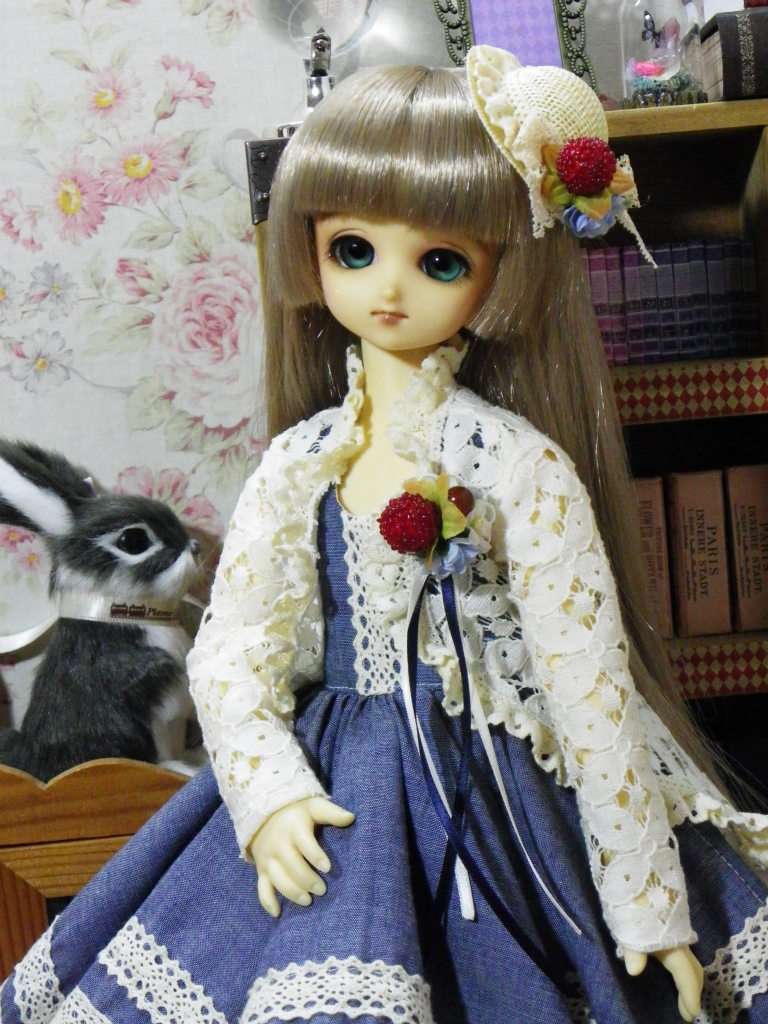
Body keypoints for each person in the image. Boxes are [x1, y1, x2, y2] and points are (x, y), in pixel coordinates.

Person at [3, 45, 768, 1024]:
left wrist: (647, 907)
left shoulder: (515, 464)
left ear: (500, 269)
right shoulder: (299, 464)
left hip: (500, 800)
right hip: (335, 789)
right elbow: (234, 654)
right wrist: (270, 793)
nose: (390, 289)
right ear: (311, 248)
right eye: (353, 250)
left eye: (440, 260)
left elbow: (589, 691)